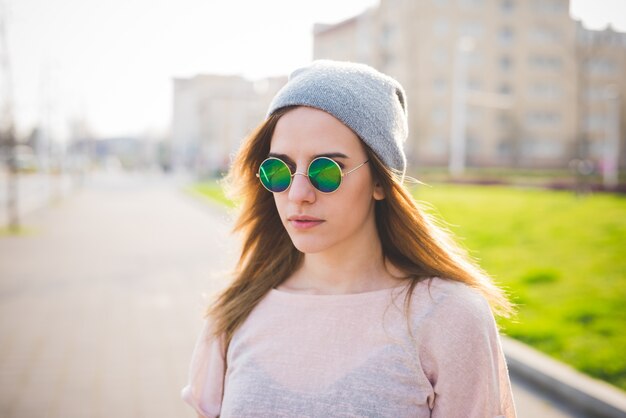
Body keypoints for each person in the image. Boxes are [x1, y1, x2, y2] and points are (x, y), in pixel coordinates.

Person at [181, 60, 517, 417]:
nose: (298, 194)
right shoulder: (235, 310)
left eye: (326, 169)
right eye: (279, 169)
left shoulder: (450, 317)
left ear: (379, 181)